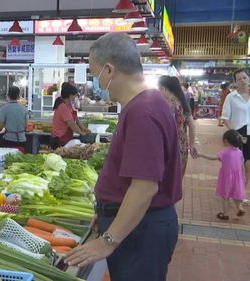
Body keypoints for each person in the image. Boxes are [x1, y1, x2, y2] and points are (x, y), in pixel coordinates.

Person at [65, 33, 181, 281]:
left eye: (95, 75)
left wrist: (108, 240)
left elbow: (144, 188)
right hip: (138, 225)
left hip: (142, 230)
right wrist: (109, 212)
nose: (96, 82)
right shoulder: (145, 104)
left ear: (109, 70)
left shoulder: (143, 112)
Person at [197, 130, 246, 220]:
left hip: (226, 178)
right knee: (236, 194)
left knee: (225, 196)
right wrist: (243, 177)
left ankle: (225, 214)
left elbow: (213, 157)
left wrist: (201, 154)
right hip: (237, 178)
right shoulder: (239, 152)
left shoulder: (225, 152)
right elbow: (242, 165)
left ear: (226, 141)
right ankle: (240, 208)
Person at [158, 76, 198, 175]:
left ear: (165, 88)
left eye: (159, 88)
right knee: (177, 179)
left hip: (164, 146)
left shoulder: (162, 104)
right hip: (182, 146)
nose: (158, 91)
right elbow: (192, 125)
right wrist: (191, 145)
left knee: (165, 178)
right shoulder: (183, 103)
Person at [221, 69, 250, 189]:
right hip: (237, 134)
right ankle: (232, 188)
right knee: (236, 164)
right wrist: (234, 134)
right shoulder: (231, 97)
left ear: (248, 78)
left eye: (244, 78)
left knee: (248, 164)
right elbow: (225, 118)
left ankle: (242, 191)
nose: (242, 81)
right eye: (239, 79)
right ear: (235, 82)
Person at [50, 83, 88, 149]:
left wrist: (83, 128)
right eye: (74, 96)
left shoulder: (69, 105)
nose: (75, 98)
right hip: (59, 139)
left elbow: (75, 118)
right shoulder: (62, 106)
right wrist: (81, 133)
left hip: (66, 138)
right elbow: (71, 123)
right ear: (70, 95)